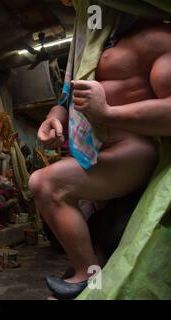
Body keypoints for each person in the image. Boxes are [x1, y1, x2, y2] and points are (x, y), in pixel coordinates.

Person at [29, 20, 171, 299]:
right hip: (97, 153)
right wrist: (55, 116)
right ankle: (90, 269)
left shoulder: (157, 37)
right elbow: (70, 97)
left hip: (133, 149)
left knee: (46, 183)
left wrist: (107, 114)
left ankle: (86, 272)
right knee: (56, 196)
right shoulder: (93, 41)